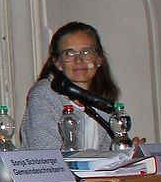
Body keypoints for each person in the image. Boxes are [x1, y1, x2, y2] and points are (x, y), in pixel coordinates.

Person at [22, 21, 122, 150]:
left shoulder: (103, 100)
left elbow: (108, 154)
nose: (78, 60)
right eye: (69, 54)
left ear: (98, 59)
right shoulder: (44, 94)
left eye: (86, 52)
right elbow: (46, 154)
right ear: (58, 63)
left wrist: (125, 151)